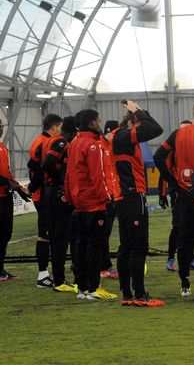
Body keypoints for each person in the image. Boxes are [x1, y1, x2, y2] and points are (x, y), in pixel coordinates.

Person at [153, 101, 194, 297]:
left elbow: (158, 156)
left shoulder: (177, 134)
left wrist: (171, 180)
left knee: (184, 238)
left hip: (181, 193)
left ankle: (185, 283)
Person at [111, 100, 164, 306]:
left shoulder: (118, 136)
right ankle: (140, 295)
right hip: (133, 197)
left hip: (124, 198)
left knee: (126, 247)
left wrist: (140, 113)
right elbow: (155, 129)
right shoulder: (124, 136)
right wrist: (139, 111)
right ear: (133, 123)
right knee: (138, 247)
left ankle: (127, 294)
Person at [64, 109, 117, 300]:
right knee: (95, 246)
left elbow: (69, 175)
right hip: (94, 203)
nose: (100, 123)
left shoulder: (74, 143)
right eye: (98, 120)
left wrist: (70, 198)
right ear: (93, 123)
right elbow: (98, 176)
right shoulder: (93, 145)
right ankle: (94, 288)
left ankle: (82, 287)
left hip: (79, 203)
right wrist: (107, 200)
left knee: (80, 245)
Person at [41, 116, 78, 292]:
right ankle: (59, 280)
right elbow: (47, 163)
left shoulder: (50, 140)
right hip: (56, 194)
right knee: (61, 238)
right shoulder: (61, 142)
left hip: (50, 192)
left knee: (57, 238)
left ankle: (58, 278)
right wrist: (61, 184)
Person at [156, 120, 194, 272]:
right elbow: (163, 173)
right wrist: (163, 194)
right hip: (178, 193)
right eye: (182, 130)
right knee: (178, 226)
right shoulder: (171, 152)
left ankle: (192, 257)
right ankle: (171, 258)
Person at [28, 113, 62, 288]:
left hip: (42, 193)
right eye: (60, 127)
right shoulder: (44, 142)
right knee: (45, 234)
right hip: (43, 194)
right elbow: (39, 167)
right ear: (55, 127)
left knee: (48, 234)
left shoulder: (38, 141)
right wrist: (35, 186)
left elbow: (31, 165)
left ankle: (47, 273)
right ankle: (43, 275)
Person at [0, 117, 30, 281]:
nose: (2, 128)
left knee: (6, 234)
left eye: (3, 125)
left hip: (5, 197)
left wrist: (18, 187)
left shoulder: (3, 148)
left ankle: (1, 270)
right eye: (0, 126)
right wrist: (10, 183)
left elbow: (7, 174)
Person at [99, 120, 119, 280]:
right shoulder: (99, 146)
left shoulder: (109, 147)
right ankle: (104, 266)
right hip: (103, 198)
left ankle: (104, 265)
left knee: (105, 234)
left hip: (112, 195)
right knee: (101, 234)